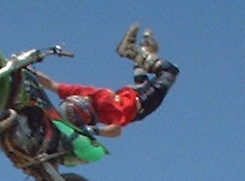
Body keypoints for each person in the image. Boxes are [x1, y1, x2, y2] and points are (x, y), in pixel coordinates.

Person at [35, 23, 179, 138]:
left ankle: (134, 52)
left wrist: (95, 131)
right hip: (134, 95)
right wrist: (29, 71)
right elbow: (52, 85)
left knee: (169, 71)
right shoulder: (88, 95)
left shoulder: (104, 111)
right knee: (151, 76)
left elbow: (116, 131)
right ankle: (145, 51)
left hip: (139, 100)